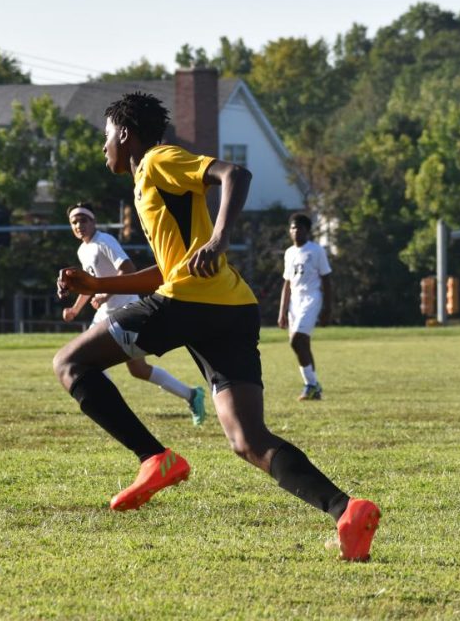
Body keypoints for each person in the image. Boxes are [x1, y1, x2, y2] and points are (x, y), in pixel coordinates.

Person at [54, 92, 379, 561]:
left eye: (106, 137)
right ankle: (347, 510)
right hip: (231, 307)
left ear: (125, 134)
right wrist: (95, 282)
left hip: (189, 302)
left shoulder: (158, 160)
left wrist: (220, 238)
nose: (103, 147)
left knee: (70, 363)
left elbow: (234, 174)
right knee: (247, 439)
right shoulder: (146, 183)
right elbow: (169, 268)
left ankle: (155, 458)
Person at [63, 202, 206, 425]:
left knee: (94, 362)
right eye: (74, 222)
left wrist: (105, 295)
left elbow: (127, 269)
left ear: (94, 221)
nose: (79, 225)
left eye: (83, 219)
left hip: (125, 312)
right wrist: (75, 309)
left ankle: (111, 412)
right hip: (104, 314)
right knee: (133, 369)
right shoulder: (83, 249)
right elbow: (92, 285)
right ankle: (191, 395)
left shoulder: (105, 241)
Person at [278, 213, 332, 401]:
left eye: (299, 227)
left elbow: (326, 279)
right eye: (293, 227)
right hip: (295, 301)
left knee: (296, 340)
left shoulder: (316, 251)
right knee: (303, 344)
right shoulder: (289, 253)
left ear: (307, 230)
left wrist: (327, 308)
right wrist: (282, 311)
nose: (295, 231)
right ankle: (314, 388)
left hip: (311, 298)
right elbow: (287, 283)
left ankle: (311, 384)